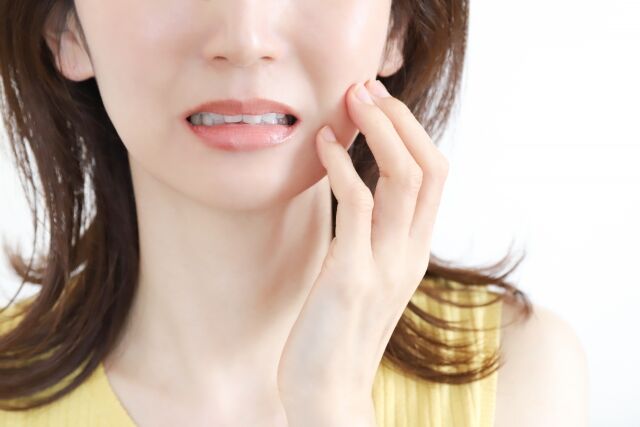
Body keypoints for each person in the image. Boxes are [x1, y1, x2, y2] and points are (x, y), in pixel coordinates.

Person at [0, 0, 588, 426]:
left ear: (396, 26)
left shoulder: (520, 380)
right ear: (66, 28)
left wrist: (330, 408)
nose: (245, 37)